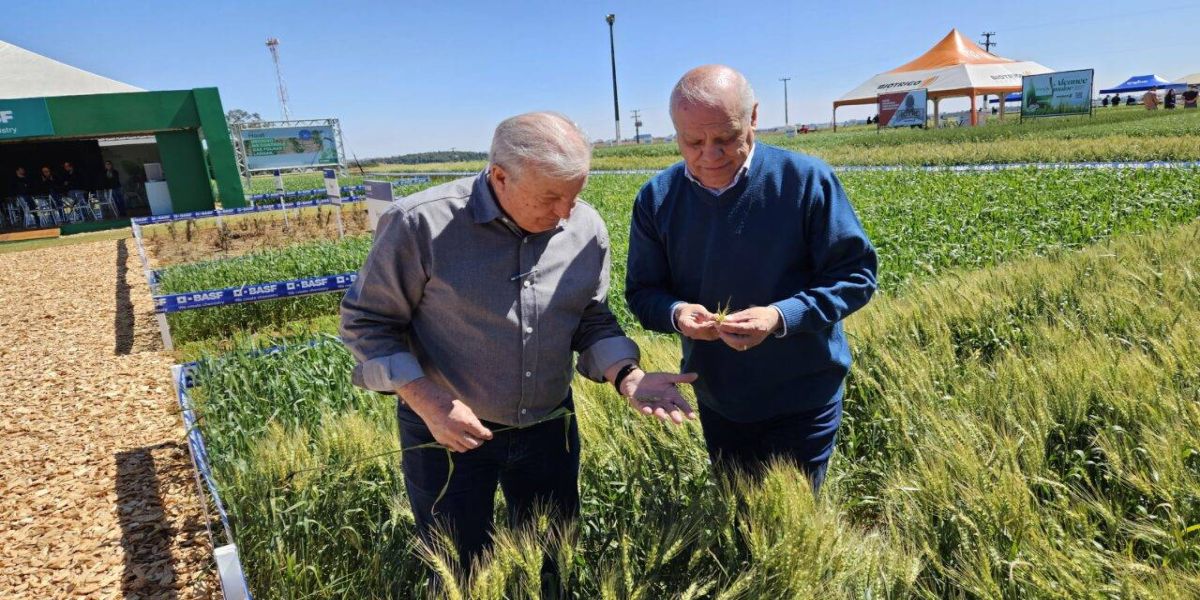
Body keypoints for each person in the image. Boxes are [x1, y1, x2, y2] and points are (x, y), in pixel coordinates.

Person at [340, 111, 698, 579]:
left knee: (553, 561)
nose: (566, 212)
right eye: (551, 196)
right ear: (500, 176)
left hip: (549, 427)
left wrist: (627, 376)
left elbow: (589, 319)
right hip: (446, 433)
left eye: (576, 193)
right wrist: (428, 400)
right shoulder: (419, 224)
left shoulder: (585, 228)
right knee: (460, 569)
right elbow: (367, 322)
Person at [625, 65, 878, 494]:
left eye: (725, 138)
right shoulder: (657, 198)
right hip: (718, 395)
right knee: (742, 513)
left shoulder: (806, 181)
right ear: (676, 132)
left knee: (794, 522)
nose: (710, 154)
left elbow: (855, 275)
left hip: (804, 392)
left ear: (753, 118)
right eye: (693, 141)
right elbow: (643, 292)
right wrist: (678, 313)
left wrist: (780, 317)